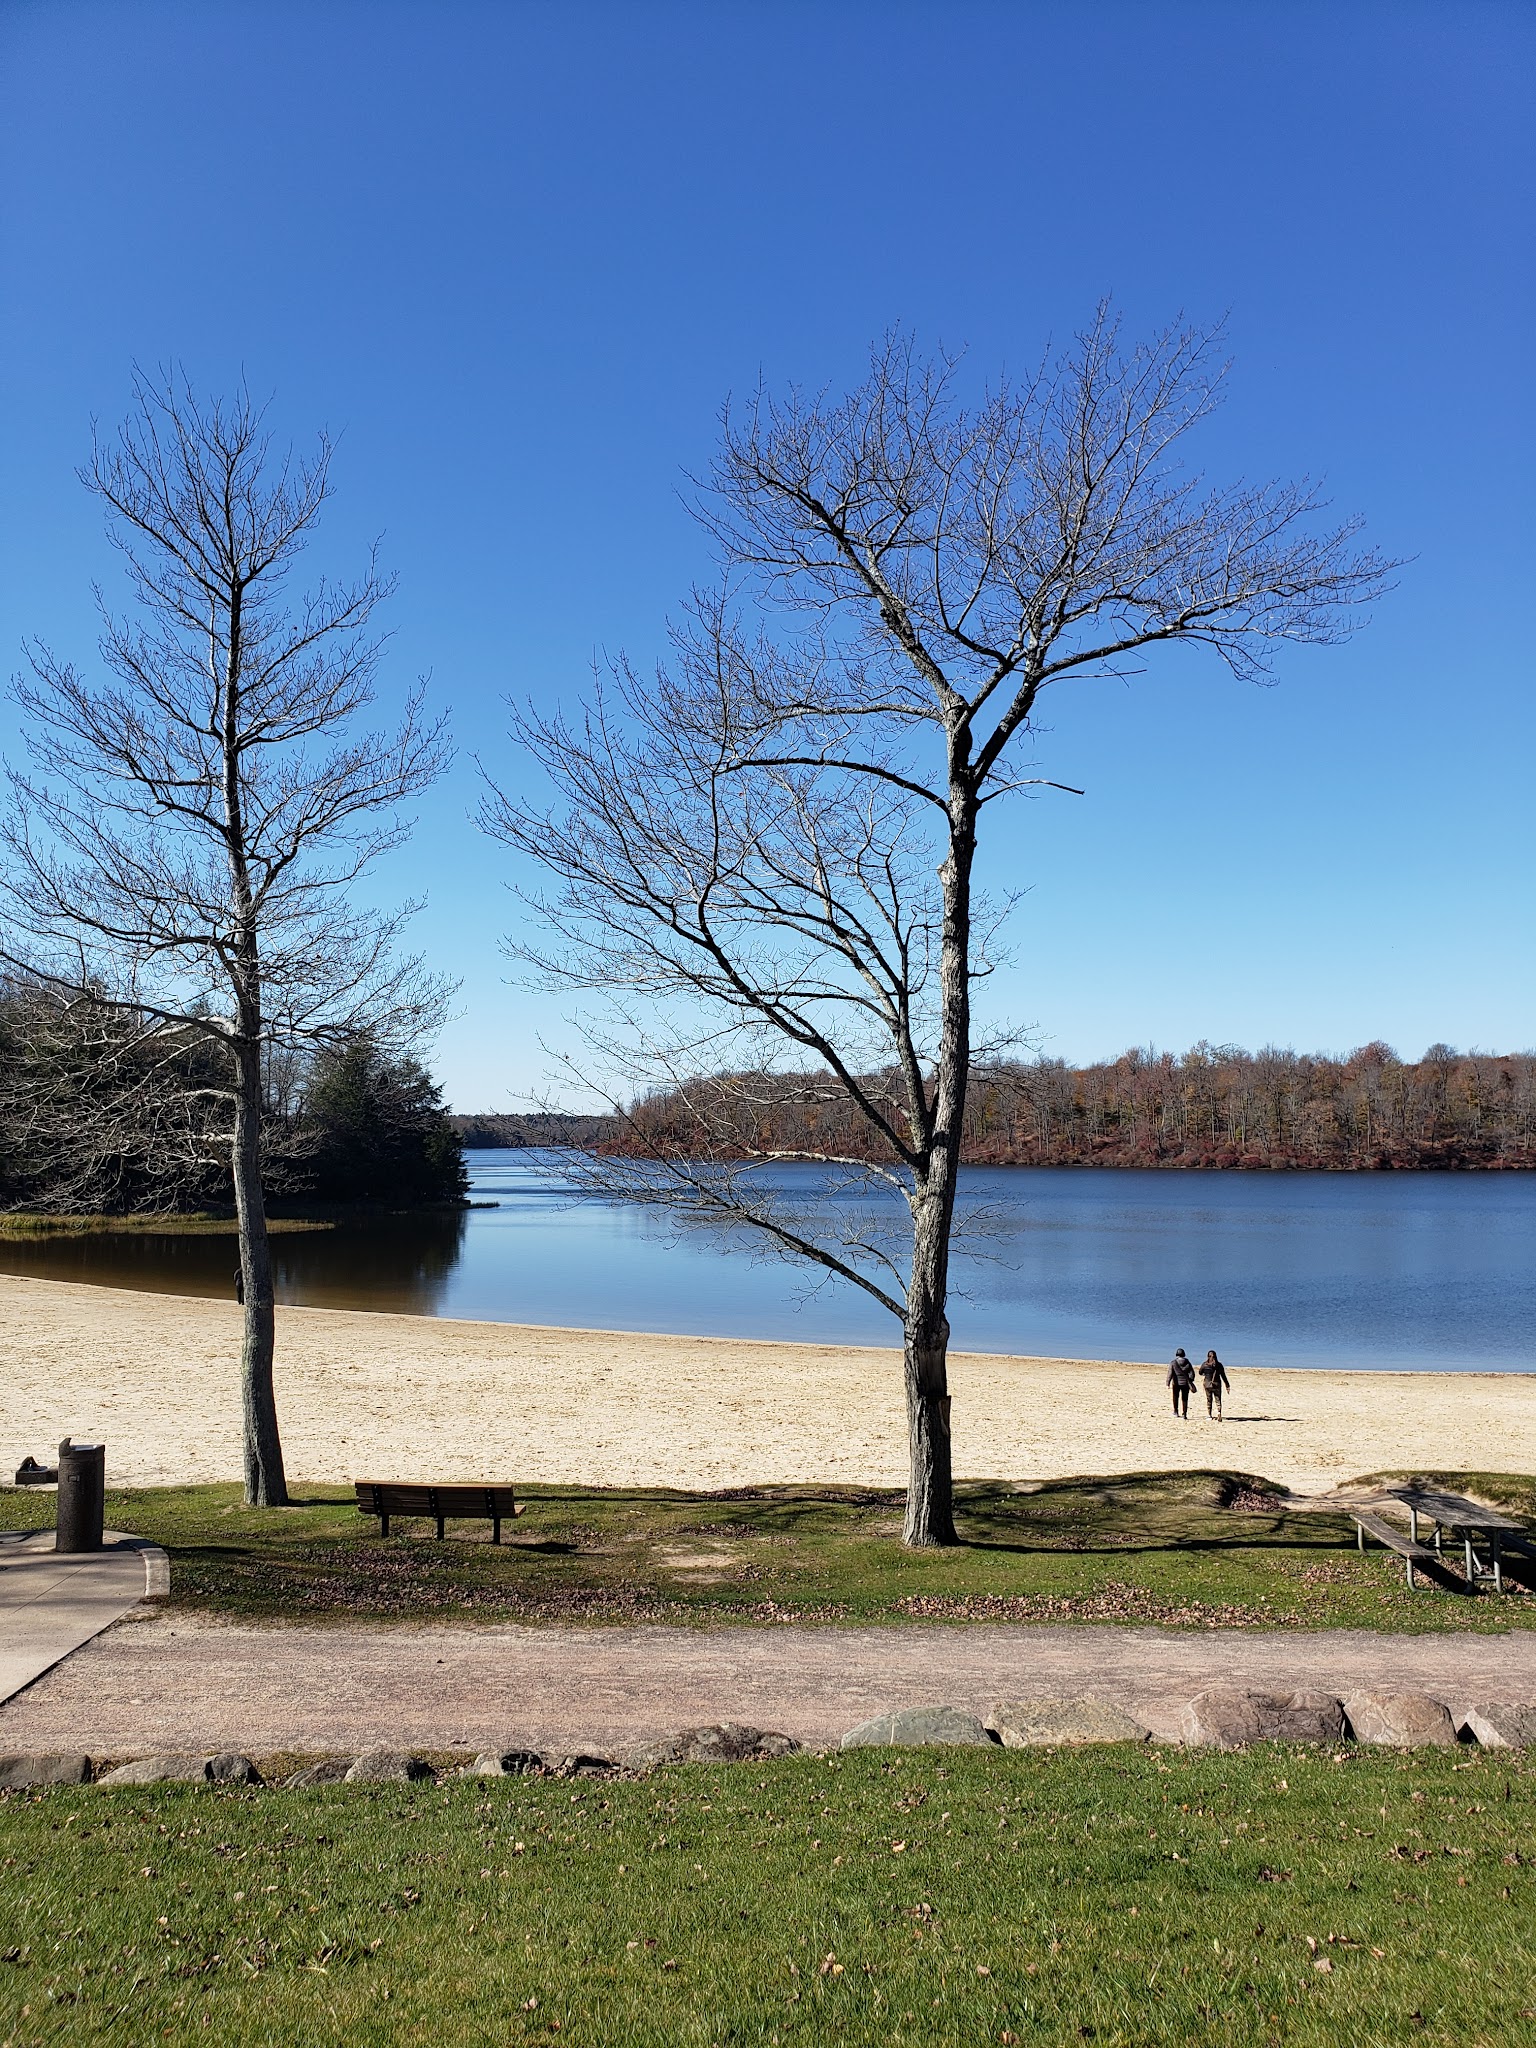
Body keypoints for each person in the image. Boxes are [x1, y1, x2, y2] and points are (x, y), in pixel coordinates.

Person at [1199, 1348, 1231, 1419]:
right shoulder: (1219, 1365)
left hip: (1207, 1384)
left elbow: (1200, 1372)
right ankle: (1219, 1412)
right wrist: (1227, 1385)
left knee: (1209, 1399)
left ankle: (1209, 1415)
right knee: (1218, 1399)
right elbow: (1223, 1376)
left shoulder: (1205, 1364)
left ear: (1208, 1356)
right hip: (1217, 1384)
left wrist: (1206, 1374)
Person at [1166, 1347, 1195, 1419]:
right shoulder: (1187, 1362)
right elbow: (1192, 1373)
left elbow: (1170, 1373)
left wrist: (1168, 1383)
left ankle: (1176, 1411)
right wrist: (1190, 1380)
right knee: (1185, 1398)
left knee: (1175, 1397)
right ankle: (1184, 1413)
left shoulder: (1173, 1363)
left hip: (1176, 1383)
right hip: (1185, 1383)